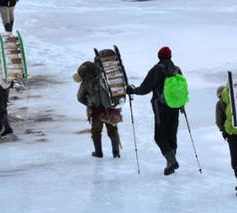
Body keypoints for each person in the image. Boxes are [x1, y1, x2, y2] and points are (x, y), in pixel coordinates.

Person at [126, 46, 182, 175]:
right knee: (171, 135)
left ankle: (171, 160)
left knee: (159, 136)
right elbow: (181, 89)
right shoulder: (177, 69)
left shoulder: (157, 70)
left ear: (159, 56)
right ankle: (171, 162)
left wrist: (133, 90)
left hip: (161, 107)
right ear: (170, 56)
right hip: (175, 106)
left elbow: (145, 88)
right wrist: (181, 104)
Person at [74, 61, 121, 158]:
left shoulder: (86, 82)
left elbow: (79, 97)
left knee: (96, 132)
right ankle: (116, 152)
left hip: (96, 111)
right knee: (113, 131)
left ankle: (98, 152)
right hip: (110, 109)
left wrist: (88, 103)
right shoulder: (106, 77)